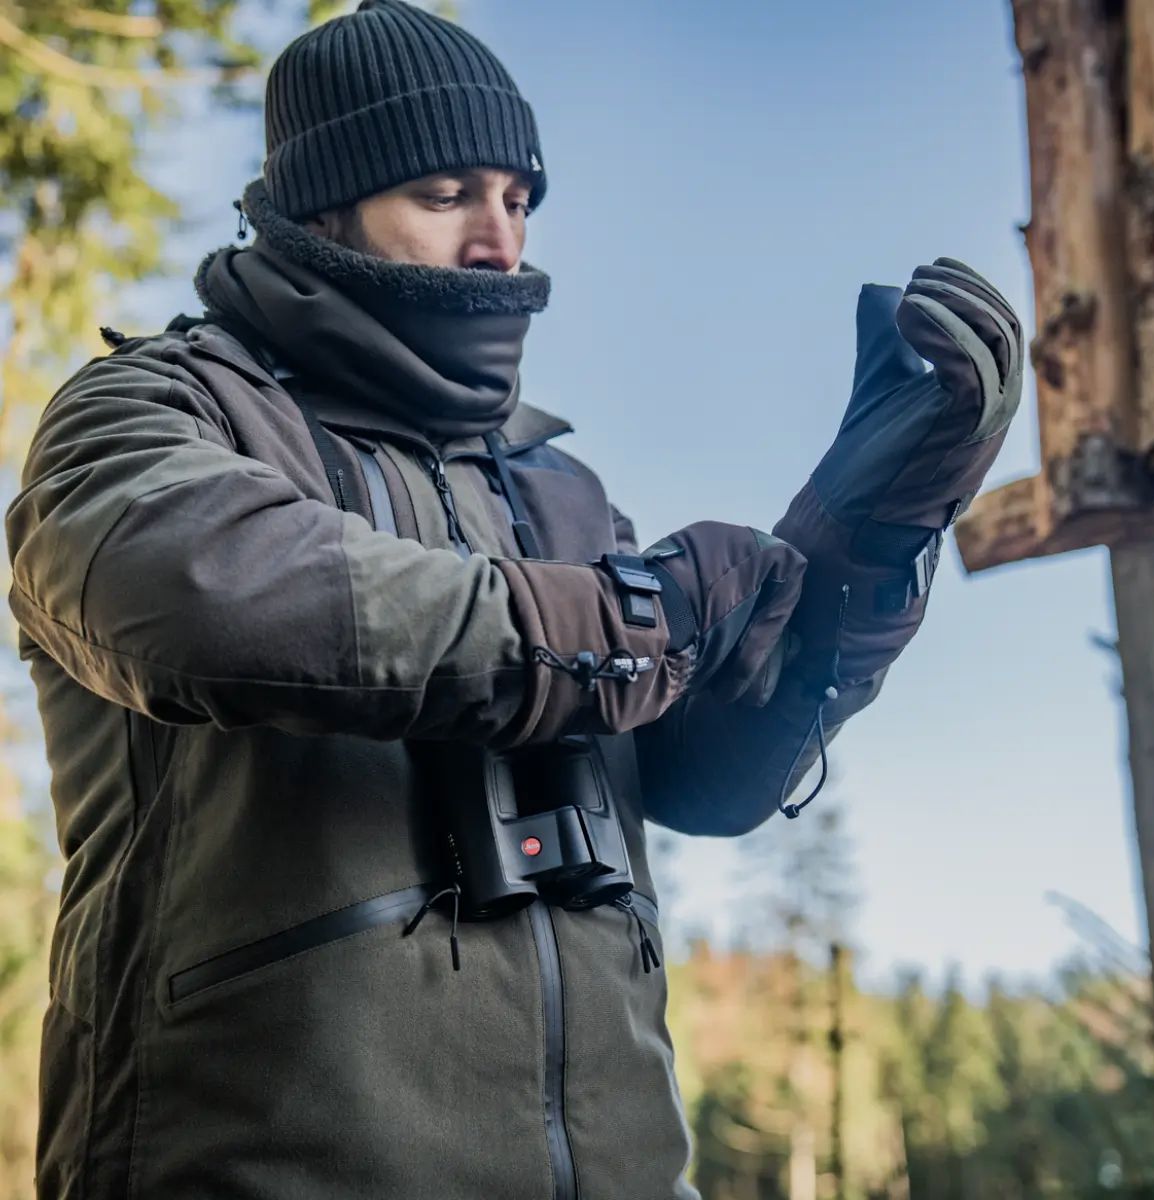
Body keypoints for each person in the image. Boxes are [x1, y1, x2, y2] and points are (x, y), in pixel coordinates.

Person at [6, 3, 1022, 1198]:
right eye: (444, 195)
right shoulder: (149, 414)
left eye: (519, 199)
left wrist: (863, 547)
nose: (499, 239)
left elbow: (704, 777)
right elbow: (204, 598)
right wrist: (632, 618)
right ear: (321, 206)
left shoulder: (561, 491)